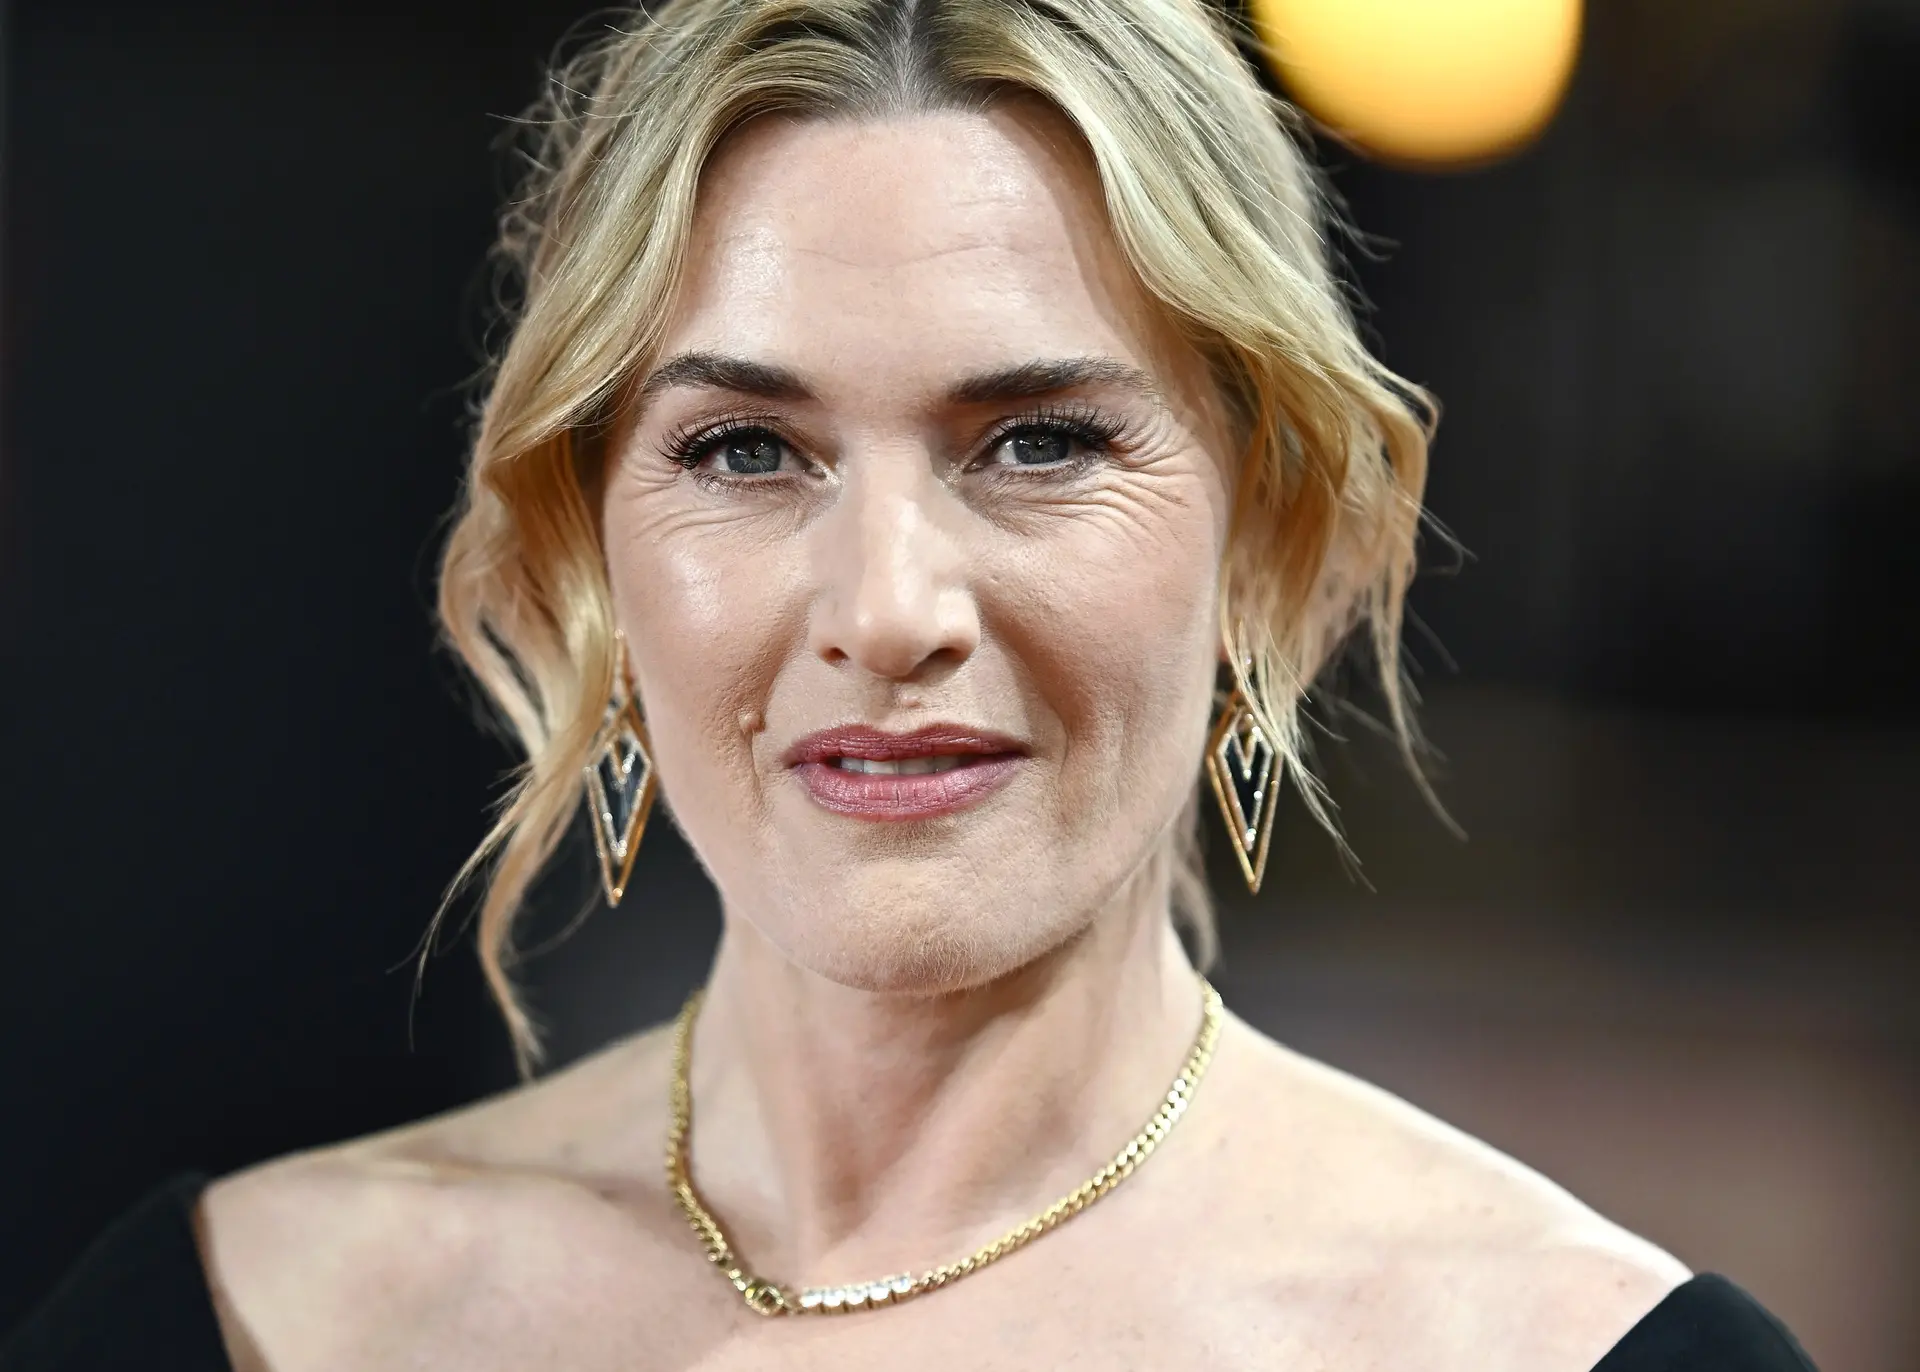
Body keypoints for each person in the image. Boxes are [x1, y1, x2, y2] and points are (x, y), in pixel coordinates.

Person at [2, 0, 1819, 1367]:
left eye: (1039, 441)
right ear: (587, 548)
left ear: (1265, 534)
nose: (886, 612)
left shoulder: (1564, 1349)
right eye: (744, 451)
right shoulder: (243, 1315)